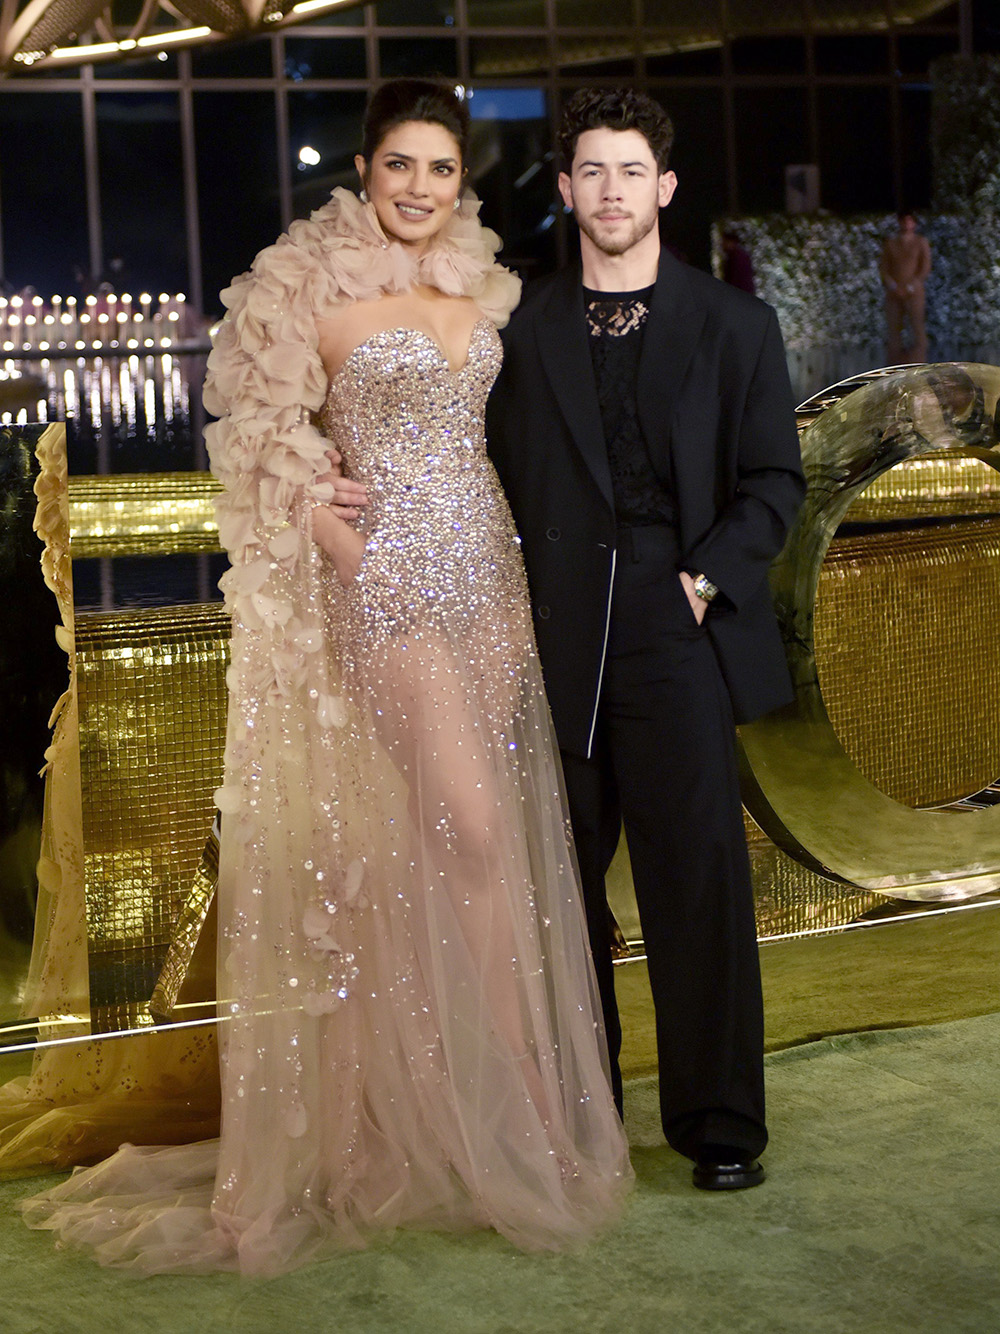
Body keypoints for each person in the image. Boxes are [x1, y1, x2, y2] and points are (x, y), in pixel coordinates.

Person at [20, 79, 630, 1275]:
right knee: (468, 824)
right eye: (399, 164)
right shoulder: (306, 283)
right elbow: (254, 432)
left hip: (487, 577)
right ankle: (503, 1114)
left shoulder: (480, 283)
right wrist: (322, 515)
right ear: (364, 169)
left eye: (441, 168)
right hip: (383, 583)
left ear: (462, 179)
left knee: (475, 844)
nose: (419, 187)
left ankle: (496, 1116)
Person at [487, 90, 805, 1191]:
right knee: (560, 887)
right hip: (551, 628)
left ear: (664, 187)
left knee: (697, 882)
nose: (611, 189)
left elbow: (774, 480)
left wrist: (703, 581)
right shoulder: (520, 330)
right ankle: (581, 1122)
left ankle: (719, 1124)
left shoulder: (735, 325)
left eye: (631, 170)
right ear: (564, 190)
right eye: (592, 170)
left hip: (677, 623)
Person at [880, 212, 932, 364]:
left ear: (914, 224)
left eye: (910, 221)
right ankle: (893, 366)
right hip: (894, 293)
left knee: (917, 327)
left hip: (914, 292)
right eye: (904, 221)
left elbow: (925, 268)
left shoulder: (921, 242)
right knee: (894, 330)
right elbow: (884, 268)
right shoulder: (891, 243)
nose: (907, 224)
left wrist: (910, 286)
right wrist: (893, 286)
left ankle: (920, 364)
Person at [720, 229, 755, 294]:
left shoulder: (736, 256)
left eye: (724, 242)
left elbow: (735, 278)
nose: (722, 245)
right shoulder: (741, 255)